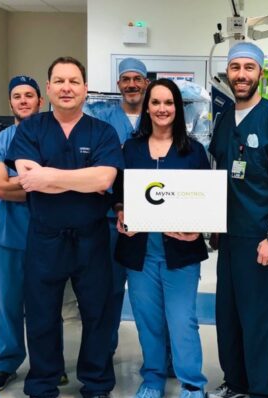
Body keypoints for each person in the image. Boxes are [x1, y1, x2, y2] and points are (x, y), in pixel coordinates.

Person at [6, 56, 124, 398]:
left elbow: (104, 180)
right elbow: (28, 178)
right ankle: (41, 388)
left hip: (92, 238)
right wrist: (79, 178)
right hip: (45, 238)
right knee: (41, 314)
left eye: (74, 81)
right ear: (49, 88)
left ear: (85, 88)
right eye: (59, 81)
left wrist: (50, 178)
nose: (67, 87)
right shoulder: (30, 130)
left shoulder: (102, 132)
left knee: (98, 314)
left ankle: (97, 384)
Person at [206, 42, 268, 398]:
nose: (241, 74)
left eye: (248, 67)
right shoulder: (225, 118)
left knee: (259, 319)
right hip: (228, 237)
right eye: (235, 67)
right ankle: (236, 381)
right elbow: (216, 171)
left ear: (261, 73)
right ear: (227, 73)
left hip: (261, 238)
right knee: (228, 315)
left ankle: (262, 395)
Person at [114, 78, 209, 398]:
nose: (162, 109)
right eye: (155, 102)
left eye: (168, 102)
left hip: (180, 252)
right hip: (140, 252)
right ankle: (153, 378)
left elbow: (205, 201)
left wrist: (196, 229)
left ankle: (192, 385)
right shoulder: (132, 149)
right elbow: (118, 193)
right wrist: (121, 210)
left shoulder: (193, 152)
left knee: (182, 320)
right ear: (147, 107)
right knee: (148, 320)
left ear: (177, 108)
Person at [0, 75, 44, 392]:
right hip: (8, 238)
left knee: (45, 305)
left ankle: (47, 364)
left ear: (39, 101)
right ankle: (6, 363)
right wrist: (44, 185)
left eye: (29, 95)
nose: (23, 100)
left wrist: (17, 184)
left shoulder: (52, 137)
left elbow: (11, 185)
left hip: (46, 237)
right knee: (6, 305)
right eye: (17, 95)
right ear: (10, 102)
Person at [96, 57, 149, 354]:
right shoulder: (103, 121)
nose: (131, 84)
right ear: (119, 85)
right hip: (109, 219)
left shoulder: (157, 118)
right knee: (111, 290)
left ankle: (160, 360)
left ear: (146, 83)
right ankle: (104, 355)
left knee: (150, 296)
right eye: (126, 79)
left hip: (151, 219)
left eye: (137, 79)